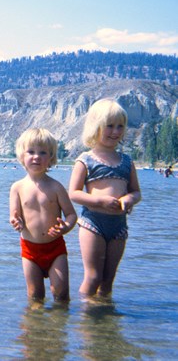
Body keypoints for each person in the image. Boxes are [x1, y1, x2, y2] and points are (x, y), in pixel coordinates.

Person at [69, 98, 141, 300]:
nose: (115, 131)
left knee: (108, 279)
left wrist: (128, 199)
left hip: (118, 225)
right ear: (95, 126)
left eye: (120, 126)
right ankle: (86, 318)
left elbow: (136, 192)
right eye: (109, 126)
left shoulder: (126, 161)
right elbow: (73, 193)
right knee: (93, 276)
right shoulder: (86, 160)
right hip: (93, 223)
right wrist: (99, 201)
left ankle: (104, 318)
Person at [10, 128, 77, 302]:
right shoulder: (17, 187)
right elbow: (14, 215)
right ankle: (35, 327)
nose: (36, 157)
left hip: (55, 248)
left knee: (61, 294)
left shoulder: (56, 187)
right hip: (30, 250)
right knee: (35, 296)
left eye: (42, 153)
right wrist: (15, 222)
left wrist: (66, 227)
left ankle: (59, 325)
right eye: (31, 152)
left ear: (51, 158)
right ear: (22, 156)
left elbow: (71, 215)